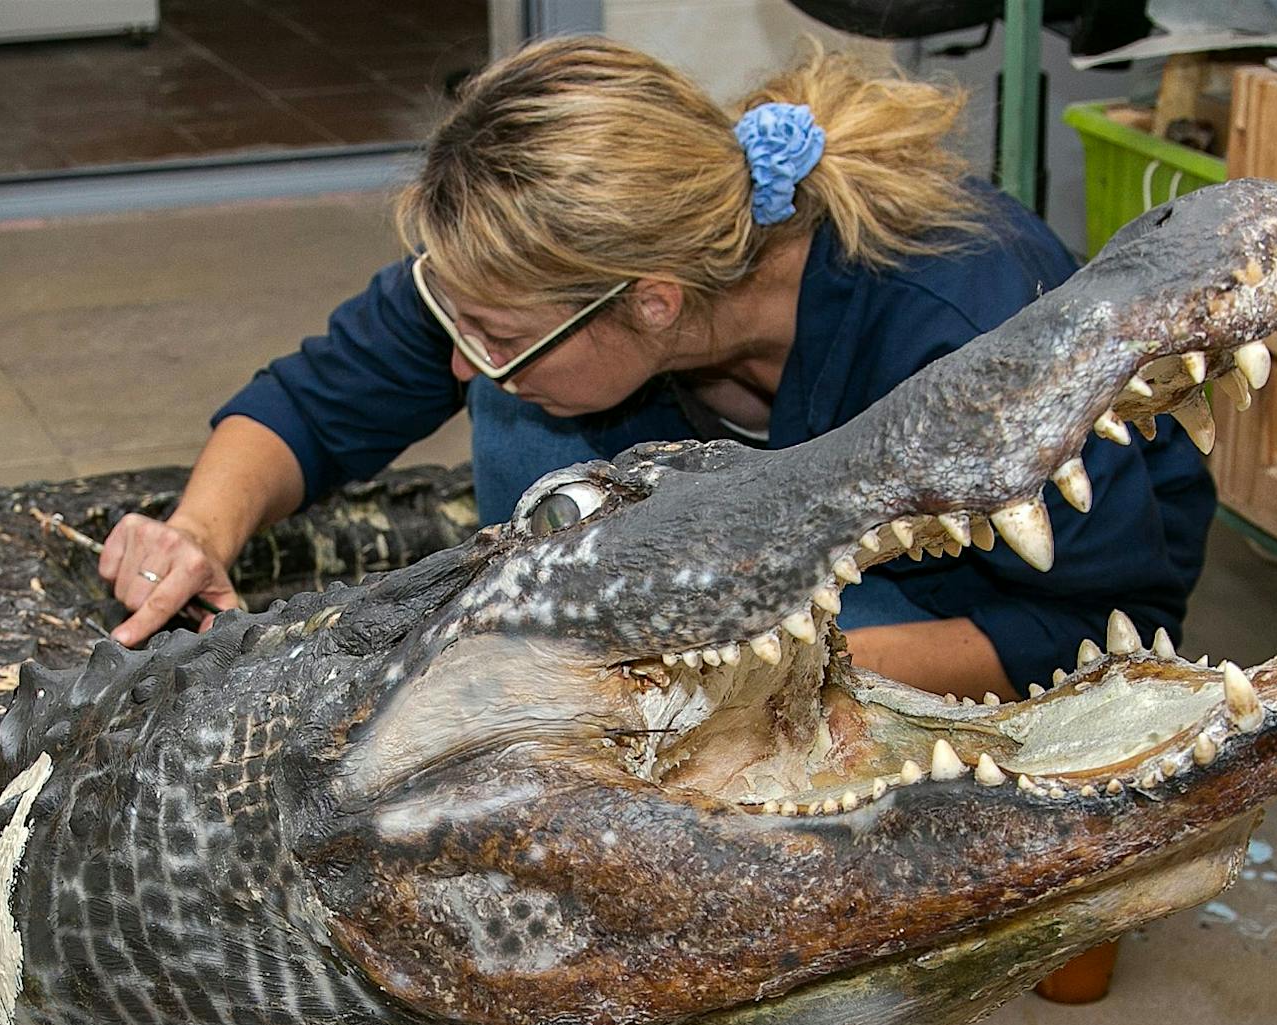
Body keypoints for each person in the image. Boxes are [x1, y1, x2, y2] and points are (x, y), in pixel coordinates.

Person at [97, 34, 1215, 714]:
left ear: (655, 303)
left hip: (942, 614)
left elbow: (1103, 619)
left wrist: (721, 685)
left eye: (491, 326)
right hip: (718, 577)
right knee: (518, 394)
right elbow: (316, 399)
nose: (455, 350)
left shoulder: (953, 317)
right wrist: (199, 530)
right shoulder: (544, 277)